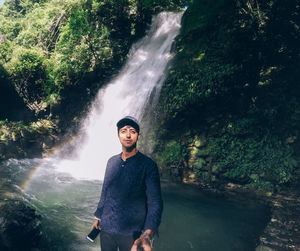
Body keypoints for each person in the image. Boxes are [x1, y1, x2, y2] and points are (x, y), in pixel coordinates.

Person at [90, 116, 163, 251]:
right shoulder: (111, 162)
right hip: (106, 229)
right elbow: (105, 191)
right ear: (118, 135)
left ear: (138, 136)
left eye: (132, 131)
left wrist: (148, 234)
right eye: (124, 131)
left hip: (133, 234)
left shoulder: (148, 165)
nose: (128, 135)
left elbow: (155, 202)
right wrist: (98, 218)